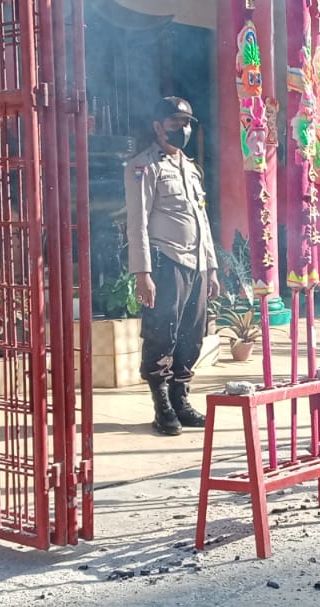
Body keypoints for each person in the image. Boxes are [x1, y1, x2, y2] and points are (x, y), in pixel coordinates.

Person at [125, 96, 220, 436]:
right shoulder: (144, 167)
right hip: (166, 261)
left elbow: (202, 220)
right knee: (161, 332)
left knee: (192, 335)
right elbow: (136, 223)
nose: (185, 129)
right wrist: (143, 274)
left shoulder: (191, 168)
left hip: (195, 264)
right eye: (177, 123)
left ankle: (181, 398)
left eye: (188, 123)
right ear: (157, 126)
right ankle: (161, 403)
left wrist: (211, 267)